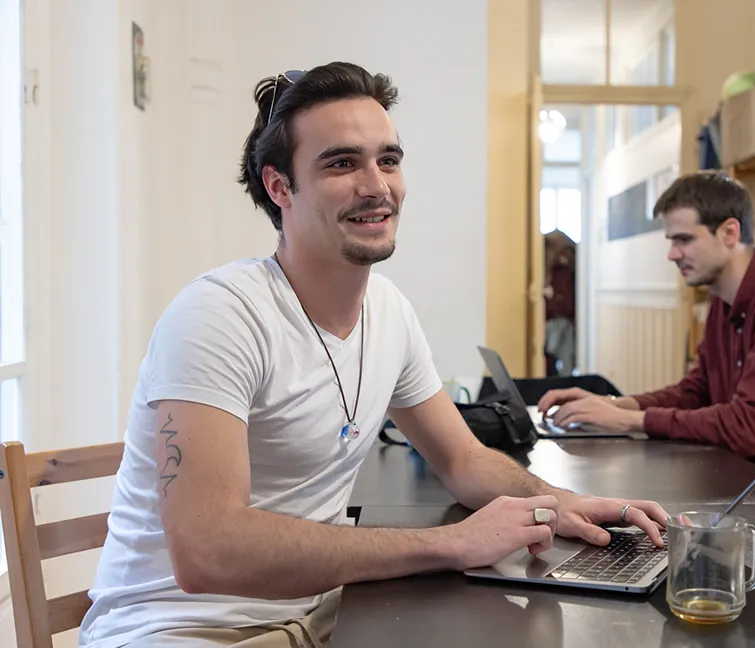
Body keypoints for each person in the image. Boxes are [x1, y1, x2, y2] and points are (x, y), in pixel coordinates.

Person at [78, 62, 668, 648]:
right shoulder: (216, 316)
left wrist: (560, 505)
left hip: (322, 616)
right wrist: (450, 544)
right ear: (280, 186)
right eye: (341, 163)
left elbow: (462, 460)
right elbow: (206, 552)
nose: (376, 185)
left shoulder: (388, 311)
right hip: (180, 630)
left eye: (388, 159)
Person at [537, 171, 755, 492]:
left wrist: (630, 420)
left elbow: (752, 428)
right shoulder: (725, 297)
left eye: (684, 239)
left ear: (729, 233)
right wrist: (609, 405)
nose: (673, 253)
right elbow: (697, 391)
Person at [543, 229, 576, 376]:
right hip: (550, 321)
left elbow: (568, 305)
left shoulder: (564, 273)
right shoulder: (546, 273)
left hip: (562, 320)